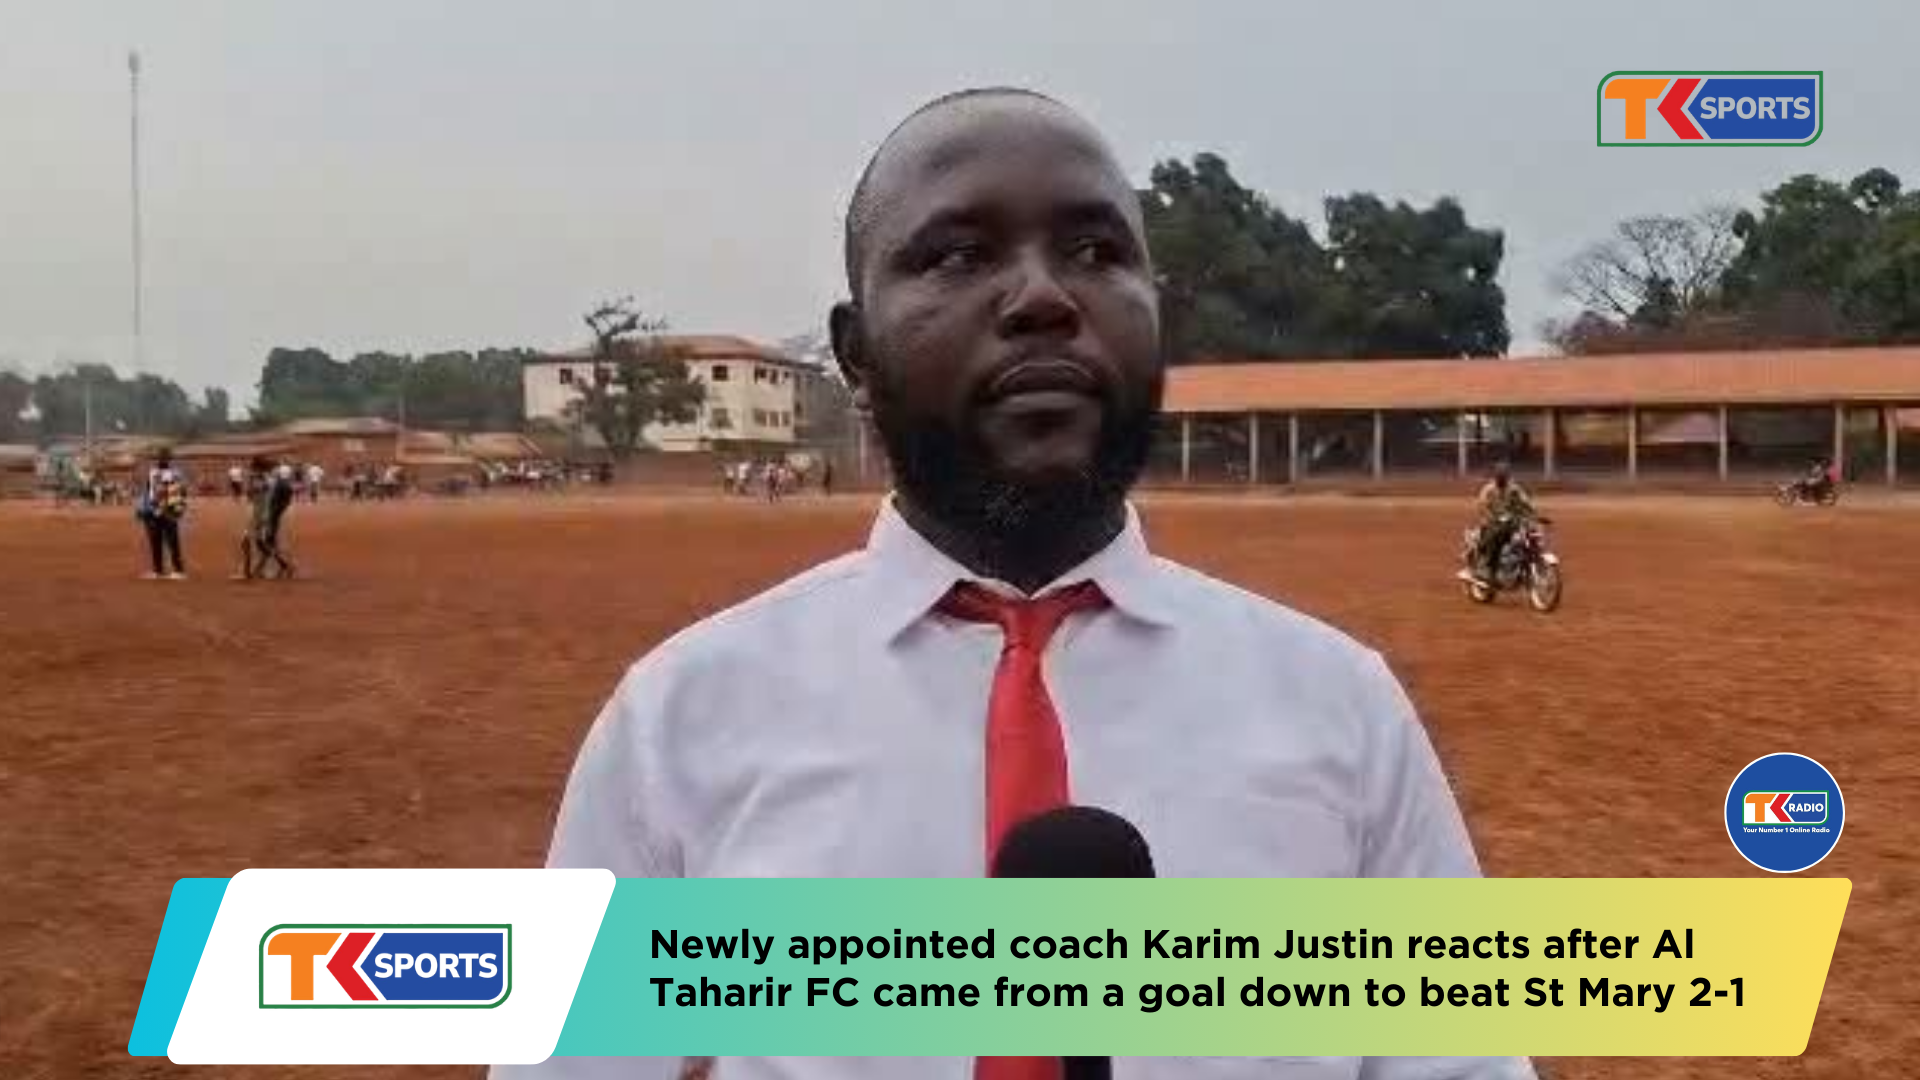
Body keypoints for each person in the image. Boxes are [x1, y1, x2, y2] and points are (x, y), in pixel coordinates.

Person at [496, 89, 1531, 1080]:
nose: (1043, 298)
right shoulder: (680, 718)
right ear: (856, 356)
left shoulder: (1343, 708)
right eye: (956, 255)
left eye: (1095, 252)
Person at [1463, 461, 1535, 585]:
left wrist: (1534, 514)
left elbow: (1525, 503)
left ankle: (1521, 564)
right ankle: (1488, 569)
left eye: (1505, 476)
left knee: (1529, 534)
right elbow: (1482, 507)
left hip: (1511, 523)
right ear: (1496, 476)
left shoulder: (1514, 489)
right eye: (1500, 476)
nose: (1503, 478)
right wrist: (1491, 518)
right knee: (1497, 536)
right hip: (1492, 524)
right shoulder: (1488, 490)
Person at [137, 448, 189, 580]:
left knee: (173, 541)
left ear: (169, 459)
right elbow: (148, 492)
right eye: (160, 457)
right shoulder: (153, 472)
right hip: (154, 511)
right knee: (155, 541)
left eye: (165, 457)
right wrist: (143, 508)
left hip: (170, 511)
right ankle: (157, 570)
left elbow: (182, 491)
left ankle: (178, 570)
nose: (162, 459)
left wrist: (180, 508)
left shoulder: (175, 473)